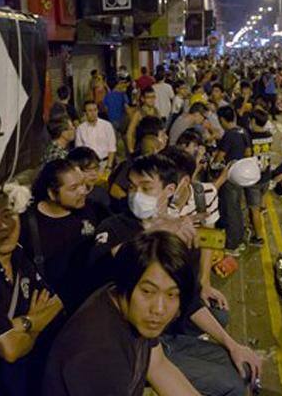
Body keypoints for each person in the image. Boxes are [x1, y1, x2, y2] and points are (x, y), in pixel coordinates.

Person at [91, 155, 262, 396]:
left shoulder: (178, 233)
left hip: (165, 335)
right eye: (132, 187)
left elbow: (189, 298)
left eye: (146, 188)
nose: (135, 194)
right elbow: (102, 265)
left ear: (170, 190)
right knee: (231, 384)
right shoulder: (113, 227)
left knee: (242, 369)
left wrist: (232, 344)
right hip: (134, 342)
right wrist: (154, 231)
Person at [42, 232, 201, 396]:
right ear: (126, 281)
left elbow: (158, 365)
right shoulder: (98, 352)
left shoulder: (134, 311)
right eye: (148, 291)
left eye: (171, 294)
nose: (159, 309)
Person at [0, 184, 64, 396]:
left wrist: (24, 324)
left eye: (8, 214)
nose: (3, 225)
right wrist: (34, 321)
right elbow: (10, 350)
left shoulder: (20, 256)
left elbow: (56, 302)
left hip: (26, 380)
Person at [22, 159, 98, 308]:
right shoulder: (27, 224)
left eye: (83, 184)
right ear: (52, 193)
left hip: (89, 304)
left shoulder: (94, 210)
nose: (83, 191)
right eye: (74, 188)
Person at [215, 106, 251, 255]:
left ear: (222, 120)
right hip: (241, 176)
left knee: (231, 209)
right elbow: (248, 153)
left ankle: (232, 245)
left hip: (230, 176)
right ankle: (240, 237)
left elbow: (219, 157)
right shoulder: (243, 131)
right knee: (236, 207)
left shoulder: (229, 135)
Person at [245, 108, 274, 247]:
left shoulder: (249, 137)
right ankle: (262, 209)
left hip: (254, 179)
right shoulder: (269, 135)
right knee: (260, 204)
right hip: (266, 175)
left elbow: (247, 154)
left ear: (254, 121)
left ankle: (258, 237)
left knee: (253, 210)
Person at [67, 147, 111, 221]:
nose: (94, 174)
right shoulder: (67, 196)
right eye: (88, 170)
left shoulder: (101, 194)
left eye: (96, 169)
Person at [75, 101, 117, 172]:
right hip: (88, 166)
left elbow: (112, 148)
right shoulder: (80, 129)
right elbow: (79, 151)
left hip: (105, 163)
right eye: (90, 111)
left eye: (95, 110)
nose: (93, 113)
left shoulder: (107, 126)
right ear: (85, 113)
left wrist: (109, 167)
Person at [126, 86, 160, 153]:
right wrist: (131, 149)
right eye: (148, 97)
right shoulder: (139, 113)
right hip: (141, 147)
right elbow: (130, 132)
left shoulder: (156, 111)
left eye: (153, 97)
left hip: (154, 147)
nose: (151, 100)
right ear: (143, 99)